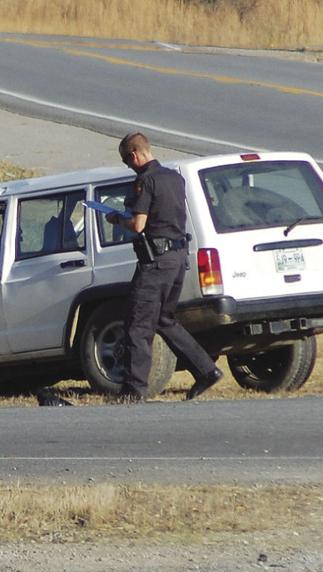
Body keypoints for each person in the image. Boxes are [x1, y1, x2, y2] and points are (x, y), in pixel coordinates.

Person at [107, 131, 224, 402]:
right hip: (178, 259)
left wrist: (116, 219)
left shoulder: (145, 181)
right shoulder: (175, 177)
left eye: (127, 162)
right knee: (165, 320)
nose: (129, 166)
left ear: (134, 155)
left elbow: (139, 225)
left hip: (156, 263)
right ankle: (206, 370)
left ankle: (134, 390)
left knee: (139, 325)